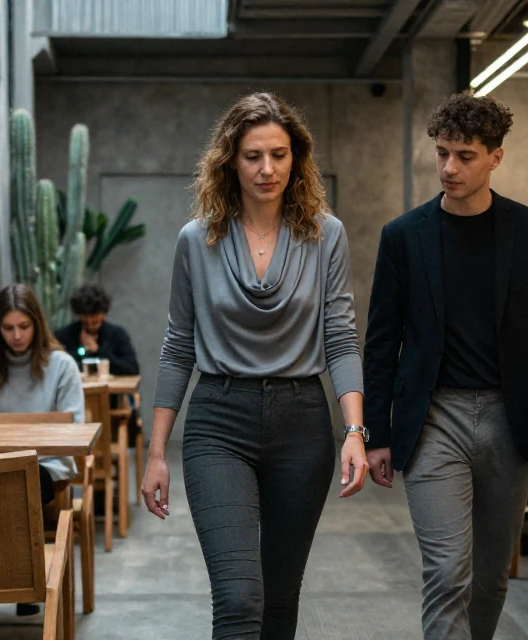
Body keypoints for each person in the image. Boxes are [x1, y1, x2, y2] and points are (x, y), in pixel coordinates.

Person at [141, 92, 369, 639]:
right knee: (241, 597)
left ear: (297, 158)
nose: (267, 169)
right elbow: (178, 346)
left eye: (280, 154)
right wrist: (154, 454)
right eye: (252, 156)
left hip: (303, 423)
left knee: (279, 599)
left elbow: (340, 336)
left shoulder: (325, 234)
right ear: (230, 161)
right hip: (220, 421)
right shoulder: (197, 240)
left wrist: (355, 430)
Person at [363, 91, 528, 640]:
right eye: (441, 153)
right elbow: (381, 342)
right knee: (447, 572)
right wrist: (376, 434)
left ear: (495, 158)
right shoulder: (403, 237)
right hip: (435, 418)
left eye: (464, 155)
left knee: (489, 579)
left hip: (512, 419)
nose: (449, 167)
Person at [0, 284, 84, 618]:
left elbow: (73, 428)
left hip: (48, 464)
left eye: (24, 326)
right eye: (8, 328)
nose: (16, 335)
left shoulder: (61, 366)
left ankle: (20, 582)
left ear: (37, 324)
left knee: (18, 487)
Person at [54, 283, 140, 376]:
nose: (90, 326)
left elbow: (132, 369)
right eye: (85, 322)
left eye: (95, 322)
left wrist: (98, 351)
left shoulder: (117, 334)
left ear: (104, 316)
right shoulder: (64, 335)